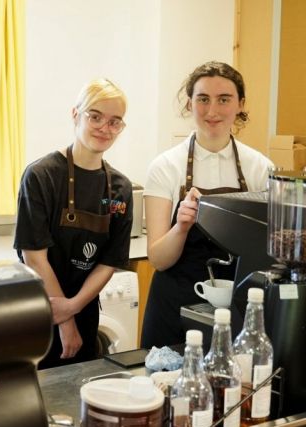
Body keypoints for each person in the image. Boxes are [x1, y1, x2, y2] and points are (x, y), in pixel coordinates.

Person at [141, 61, 273, 348]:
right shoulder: (165, 167)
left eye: (224, 99)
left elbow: (269, 252)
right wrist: (181, 227)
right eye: (203, 99)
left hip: (237, 305)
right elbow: (158, 259)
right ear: (190, 104)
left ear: (240, 104)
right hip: (174, 302)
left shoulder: (260, 168)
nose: (212, 111)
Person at [14, 78, 133, 369]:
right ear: (75, 114)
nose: (105, 128)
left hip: (86, 309)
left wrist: (75, 305)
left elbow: (109, 261)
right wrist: (65, 318)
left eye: (115, 122)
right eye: (96, 116)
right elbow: (34, 256)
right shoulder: (41, 176)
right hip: (41, 310)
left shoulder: (120, 188)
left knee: (79, 390)